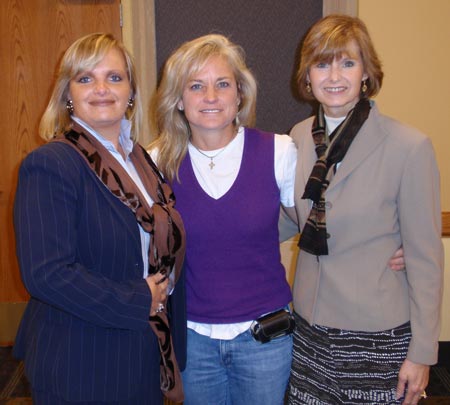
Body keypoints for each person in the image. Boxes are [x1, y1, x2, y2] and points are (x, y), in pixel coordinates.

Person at [13, 33, 186, 404]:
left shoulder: (142, 161)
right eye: (86, 78)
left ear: (132, 92)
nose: (102, 89)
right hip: (83, 360)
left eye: (115, 77)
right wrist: (139, 298)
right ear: (67, 94)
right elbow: (47, 273)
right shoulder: (51, 164)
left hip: (141, 351)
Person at [283, 14, 444, 405]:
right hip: (309, 329)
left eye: (348, 62)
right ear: (307, 76)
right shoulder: (299, 137)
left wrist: (421, 353)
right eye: (322, 63)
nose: (334, 75)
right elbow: (289, 217)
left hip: (378, 336)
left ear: (366, 73)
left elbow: (425, 259)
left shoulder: (409, 147)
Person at [148, 34, 297, 405]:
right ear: (179, 100)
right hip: (192, 340)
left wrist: (391, 244)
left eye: (222, 84)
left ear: (240, 95)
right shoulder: (155, 162)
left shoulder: (279, 151)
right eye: (196, 86)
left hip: (265, 337)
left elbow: (319, 225)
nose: (210, 97)